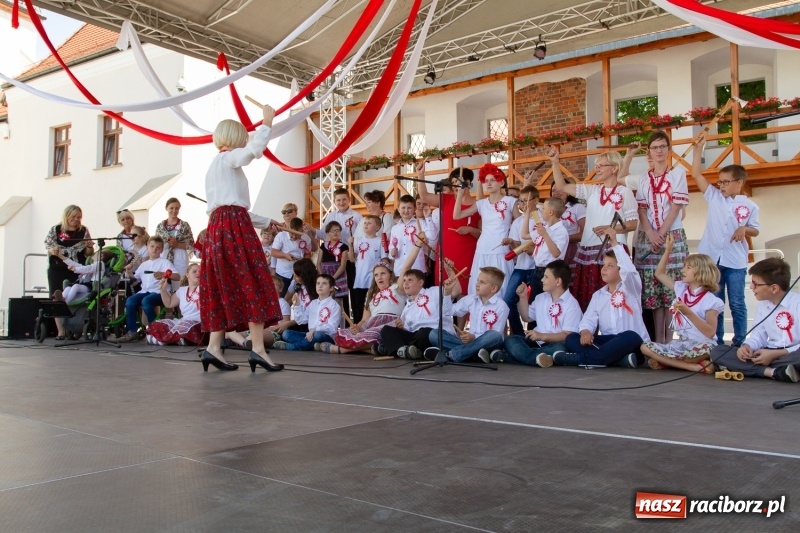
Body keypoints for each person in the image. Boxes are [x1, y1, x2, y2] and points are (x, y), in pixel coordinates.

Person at [198, 105, 284, 373]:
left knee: (225, 286)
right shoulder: (229, 158)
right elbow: (251, 154)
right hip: (233, 229)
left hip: (218, 229)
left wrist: (267, 221)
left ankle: (213, 347)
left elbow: (229, 206)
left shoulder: (214, 166)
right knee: (252, 282)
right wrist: (266, 125)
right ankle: (257, 349)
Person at [550, 146, 638, 311]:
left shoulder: (625, 192)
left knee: (613, 297)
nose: (597, 169)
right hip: (589, 250)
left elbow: (633, 224)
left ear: (614, 168)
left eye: (601, 165)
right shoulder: (593, 191)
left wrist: (611, 228)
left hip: (612, 250)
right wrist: (555, 162)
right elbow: (562, 187)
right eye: (596, 166)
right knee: (587, 297)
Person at [693, 137, 760, 347]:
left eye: (725, 181)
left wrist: (744, 228)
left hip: (735, 261)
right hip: (713, 260)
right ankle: (717, 341)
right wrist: (698, 149)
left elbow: (756, 230)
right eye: (719, 181)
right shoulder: (713, 197)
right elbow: (696, 174)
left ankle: (740, 342)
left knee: (738, 302)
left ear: (739, 183)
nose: (720, 185)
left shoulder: (749, 205)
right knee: (716, 302)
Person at [557, 228, 649, 368]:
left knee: (630, 336)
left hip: (630, 343)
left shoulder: (631, 288)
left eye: (610, 266)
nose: (604, 269)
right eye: (603, 265)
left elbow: (629, 270)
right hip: (607, 343)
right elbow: (588, 320)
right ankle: (615, 360)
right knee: (571, 338)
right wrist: (586, 331)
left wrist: (614, 242)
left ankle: (581, 359)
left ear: (620, 269)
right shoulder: (598, 295)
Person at [630, 131, 690, 344]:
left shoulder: (677, 174)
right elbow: (642, 210)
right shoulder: (644, 178)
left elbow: (676, 206)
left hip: (671, 234)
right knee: (654, 288)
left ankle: (670, 340)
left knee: (671, 286)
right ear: (649, 151)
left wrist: (662, 233)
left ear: (668, 149)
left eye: (663, 146)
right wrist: (651, 233)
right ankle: (657, 340)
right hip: (650, 236)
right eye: (655, 147)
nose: (659, 151)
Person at [640, 234, 723, 373]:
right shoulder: (681, 289)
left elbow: (710, 332)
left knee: (709, 350)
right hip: (682, 344)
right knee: (644, 347)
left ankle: (667, 362)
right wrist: (668, 250)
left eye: (688, 267)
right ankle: (691, 366)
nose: (682, 270)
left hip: (702, 345)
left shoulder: (712, 301)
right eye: (684, 266)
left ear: (701, 272)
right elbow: (659, 274)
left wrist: (688, 312)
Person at [713, 258, 800, 382]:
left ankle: (764, 368)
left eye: (756, 284)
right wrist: (747, 346)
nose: (751, 287)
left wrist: (777, 354)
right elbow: (759, 335)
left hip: (790, 354)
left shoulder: (797, 304)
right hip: (767, 352)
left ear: (774, 288)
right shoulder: (763, 305)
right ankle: (774, 372)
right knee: (718, 351)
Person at [499, 259, 583, 366]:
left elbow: (567, 335)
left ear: (558, 281)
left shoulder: (572, 304)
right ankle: (540, 359)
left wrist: (541, 336)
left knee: (560, 348)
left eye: (546, 277)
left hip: (556, 344)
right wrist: (523, 297)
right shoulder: (540, 298)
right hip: (536, 343)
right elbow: (527, 318)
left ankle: (512, 358)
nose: (542, 280)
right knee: (511, 340)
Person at [416, 162, 481, 295]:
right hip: (446, 251)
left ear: (468, 183)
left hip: (468, 252)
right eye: (453, 182)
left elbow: (481, 232)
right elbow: (424, 196)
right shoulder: (447, 199)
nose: (456, 185)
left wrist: (470, 230)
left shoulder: (478, 204)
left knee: (464, 290)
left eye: (459, 181)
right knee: (444, 290)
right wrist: (420, 174)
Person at [453, 163, 517, 295]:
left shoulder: (510, 201)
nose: (488, 183)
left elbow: (519, 222)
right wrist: (460, 194)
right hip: (483, 249)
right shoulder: (481, 203)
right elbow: (457, 215)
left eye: (492, 180)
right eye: (486, 180)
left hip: (501, 249)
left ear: (501, 182)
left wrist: (513, 241)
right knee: (480, 287)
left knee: (502, 289)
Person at [423, 267, 509, 363]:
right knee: (434, 334)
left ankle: (450, 355)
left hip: (488, 344)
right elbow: (448, 311)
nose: (477, 284)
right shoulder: (471, 299)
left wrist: (474, 337)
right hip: (470, 343)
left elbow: (497, 333)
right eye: (477, 280)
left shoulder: (502, 306)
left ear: (493, 288)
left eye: (482, 282)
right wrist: (447, 292)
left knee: (494, 335)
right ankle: (475, 356)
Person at [380, 266, 459, 359]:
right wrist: (401, 327)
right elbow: (409, 332)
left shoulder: (434, 291)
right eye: (404, 280)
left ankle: (394, 349)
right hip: (417, 338)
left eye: (410, 280)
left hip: (435, 334)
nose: (405, 283)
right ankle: (407, 350)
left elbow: (456, 291)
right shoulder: (407, 307)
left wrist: (449, 270)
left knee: (424, 332)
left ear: (420, 282)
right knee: (386, 330)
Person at [45, 205, 94, 340]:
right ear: (66, 216)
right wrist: (53, 250)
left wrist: (89, 246)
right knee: (57, 297)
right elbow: (48, 247)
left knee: (75, 297)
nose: (76, 219)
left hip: (76, 269)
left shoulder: (83, 231)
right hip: (57, 269)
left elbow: (89, 253)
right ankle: (61, 331)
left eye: (78, 217)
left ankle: (74, 327)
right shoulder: (56, 230)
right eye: (73, 217)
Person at [118, 236, 179, 342]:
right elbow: (135, 280)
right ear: (147, 247)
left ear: (161, 250)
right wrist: (128, 272)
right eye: (152, 246)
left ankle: (154, 329)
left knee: (146, 301)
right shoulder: (144, 265)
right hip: (145, 291)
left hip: (160, 292)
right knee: (130, 301)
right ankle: (132, 331)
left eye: (158, 247)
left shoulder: (164, 262)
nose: (154, 249)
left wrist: (163, 274)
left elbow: (177, 276)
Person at [502, 185, 539, 336]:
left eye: (526, 200)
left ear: (536, 200)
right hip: (521, 266)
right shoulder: (517, 222)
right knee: (508, 299)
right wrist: (511, 241)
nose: (523, 204)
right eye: (521, 201)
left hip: (538, 266)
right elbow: (517, 247)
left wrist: (532, 248)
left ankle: (534, 335)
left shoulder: (541, 218)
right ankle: (517, 334)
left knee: (536, 302)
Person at [520, 196, 570, 306]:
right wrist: (528, 213)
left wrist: (545, 235)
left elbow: (556, 253)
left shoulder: (561, 231)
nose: (541, 211)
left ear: (551, 212)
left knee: (548, 304)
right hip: (537, 269)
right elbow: (524, 235)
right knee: (534, 303)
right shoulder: (545, 227)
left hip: (551, 271)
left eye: (544, 209)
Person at [274, 274, 341, 351]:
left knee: (317, 335)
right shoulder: (313, 303)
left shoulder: (334, 305)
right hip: (310, 335)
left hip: (325, 336)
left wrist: (315, 330)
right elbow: (301, 320)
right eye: (318, 283)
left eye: (324, 283)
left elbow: (332, 328)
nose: (320, 286)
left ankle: (291, 347)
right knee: (286, 334)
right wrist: (297, 305)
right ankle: (314, 346)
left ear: (331, 288)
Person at [146, 264, 205, 346]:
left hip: (198, 323)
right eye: (194, 271)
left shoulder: (206, 288)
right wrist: (163, 290)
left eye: (200, 271)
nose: (198, 273)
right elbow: (169, 304)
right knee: (157, 325)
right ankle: (176, 339)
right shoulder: (182, 290)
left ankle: (164, 340)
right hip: (184, 322)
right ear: (187, 274)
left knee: (189, 329)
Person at [349, 214, 387, 323]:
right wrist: (350, 245)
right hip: (360, 279)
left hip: (373, 280)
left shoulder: (380, 241)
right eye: (365, 223)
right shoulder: (357, 240)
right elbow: (352, 259)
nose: (366, 225)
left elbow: (384, 260)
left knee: (373, 304)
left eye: (369, 223)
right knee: (358, 305)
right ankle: (357, 326)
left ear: (377, 227)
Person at [155, 197, 195, 290]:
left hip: (179, 257)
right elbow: (156, 243)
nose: (174, 210)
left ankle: (179, 303)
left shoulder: (184, 225)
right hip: (164, 256)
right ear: (167, 208)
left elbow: (190, 244)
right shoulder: (160, 226)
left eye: (177, 208)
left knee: (179, 284)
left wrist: (177, 244)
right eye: (171, 208)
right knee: (164, 284)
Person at [550, 182, 585, 275]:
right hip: (550, 249)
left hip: (569, 249)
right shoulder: (547, 210)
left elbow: (585, 233)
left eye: (560, 189)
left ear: (568, 192)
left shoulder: (577, 207)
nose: (556, 192)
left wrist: (563, 238)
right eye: (553, 190)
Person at [271, 217, 313, 297]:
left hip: (299, 273)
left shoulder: (306, 238)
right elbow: (273, 252)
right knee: (281, 297)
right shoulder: (281, 235)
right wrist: (285, 255)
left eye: (297, 235)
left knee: (299, 297)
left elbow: (308, 254)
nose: (294, 237)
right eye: (291, 234)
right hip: (283, 273)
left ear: (302, 230)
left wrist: (302, 261)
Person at [389, 194, 428, 277]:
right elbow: (392, 246)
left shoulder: (420, 223)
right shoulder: (394, 228)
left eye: (409, 208)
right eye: (403, 208)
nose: (406, 210)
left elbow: (429, 240)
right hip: (400, 268)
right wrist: (392, 252)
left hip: (417, 267)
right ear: (398, 209)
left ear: (414, 209)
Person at [317, 221, 349, 300]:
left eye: (337, 230)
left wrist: (332, 278)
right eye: (332, 230)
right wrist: (323, 277)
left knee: (338, 301)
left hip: (338, 276)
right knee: (324, 299)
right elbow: (318, 263)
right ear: (328, 233)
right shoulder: (323, 246)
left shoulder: (343, 246)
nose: (335, 232)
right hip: (325, 275)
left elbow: (343, 265)